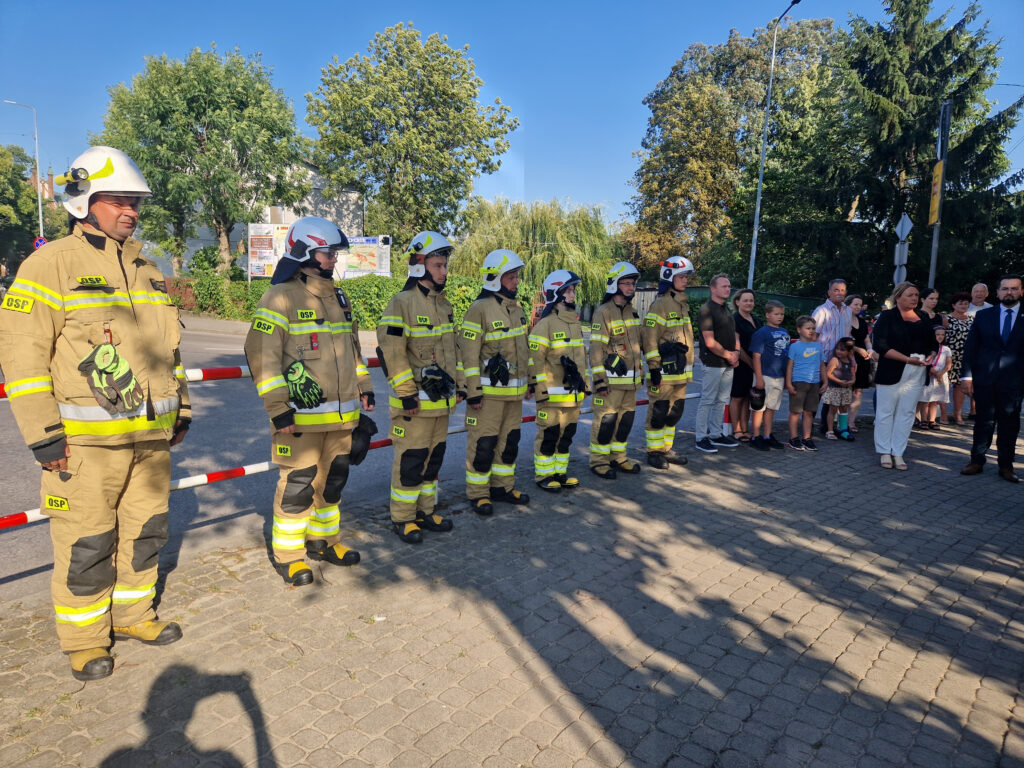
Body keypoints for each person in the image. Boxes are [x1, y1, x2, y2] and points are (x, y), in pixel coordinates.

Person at [0, 146, 190, 681]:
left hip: (150, 440)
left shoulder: (147, 269)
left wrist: (184, 410)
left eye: (135, 202)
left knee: (147, 532)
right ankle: (83, 640)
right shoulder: (51, 263)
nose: (130, 211)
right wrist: (43, 435)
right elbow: (22, 354)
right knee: (87, 543)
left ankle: (134, 616)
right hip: (83, 449)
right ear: (84, 200)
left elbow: (169, 353)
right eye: (118, 201)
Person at [244, 216, 374, 586]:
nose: (334, 259)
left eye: (334, 253)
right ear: (304, 251)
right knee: (298, 486)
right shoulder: (280, 296)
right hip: (298, 420)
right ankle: (290, 556)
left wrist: (364, 386)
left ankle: (324, 541)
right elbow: (261, 354)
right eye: (328, 253)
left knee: (333, 481)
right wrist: (278, 408)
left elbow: (353, 350)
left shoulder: (338, 295)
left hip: (341, 418)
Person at [376, 231, 463, 542]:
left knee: (432, 460)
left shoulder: (445, 305)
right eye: (438, 265)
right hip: (413, 406)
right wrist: (407, 393)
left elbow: (453, 353)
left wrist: (461, 386)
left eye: (444, 266)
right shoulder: (401, 303)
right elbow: (392, 351)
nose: (444, 272)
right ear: (419, 265)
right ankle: (402, 518)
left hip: (440, 404)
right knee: (411, 462)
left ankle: (425, 511)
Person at [459, 249, 533, 514]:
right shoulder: (479, 309)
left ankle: (502, 487)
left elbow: (525, 350)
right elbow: (467, 355)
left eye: (516, 276)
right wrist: (473, 392)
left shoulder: (517, 309)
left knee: (509, 443)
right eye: (511, 277)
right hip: (487, 397)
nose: (516, 282)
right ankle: (478, 493)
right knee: (483, 445)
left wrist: (531, 381)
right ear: (495, 278)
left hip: (513, 396)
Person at [959, 275, 1024, 483]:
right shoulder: (984, 316)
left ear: (1021, 291)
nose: (1009, 292)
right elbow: (971, 349)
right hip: (985, 379)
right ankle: (976, 461)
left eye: (1014, 289)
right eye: (1005, 289)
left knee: (1009, 424)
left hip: (1014, 382)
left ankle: (1006, 466)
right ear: (997, 293)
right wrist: (966, 377)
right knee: (983, 421)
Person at [528, 269, 587, 492]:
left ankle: (560, 473)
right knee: (549, 436)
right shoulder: (545, 325)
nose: (573, 295)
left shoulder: (575, 324)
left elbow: (582, 358)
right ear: (555, 294)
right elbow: (534, 361)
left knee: (567, 436)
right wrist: (540, 389)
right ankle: (544, 475)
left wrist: (586, 385)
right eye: (568, 291)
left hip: (573, 395)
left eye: (573, 291)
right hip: (551, 397)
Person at [871, 282, 938, 470]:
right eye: (910, 295)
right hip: (893, 368)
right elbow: (881, 346)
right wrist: (907, 360)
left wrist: (931, 355)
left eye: (916, 295)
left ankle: (898, 452)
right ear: (898, 297)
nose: (915, 298)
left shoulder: (923, 316)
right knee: (886, 413)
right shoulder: (887, 316)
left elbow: (933, 342)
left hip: (917, 370)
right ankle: (884, 451)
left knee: (907, 413)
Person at [588, 261, 645, 478]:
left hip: (630, 383)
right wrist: (600, 380)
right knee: (605, 423)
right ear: (614, 285)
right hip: (610, 385)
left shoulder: (632, 312)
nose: (631, 288)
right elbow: (595, 349)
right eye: (626, 284)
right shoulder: (603, 312)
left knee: (625, 423)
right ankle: (599, 462)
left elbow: (637, 345)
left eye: (632, 284)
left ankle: (619, 458)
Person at [641, 256, 695, 469]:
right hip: (663, 373)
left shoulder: (682, 304)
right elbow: (650, 338)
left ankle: (666, 449)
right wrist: (654, 368)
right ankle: (654, 452)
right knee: (659, 412)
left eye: (686, 277)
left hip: (680, 373)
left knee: (674, 413)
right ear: (669, 277)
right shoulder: (660, 304)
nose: (685, 280)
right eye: (681, 276)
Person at [694, 274, 739, 454]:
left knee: (722, 400)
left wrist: (736, 353)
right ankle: (700, 437)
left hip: (728, 363)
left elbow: (734, 335)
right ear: (713, 289)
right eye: (724, 286)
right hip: (713, 363)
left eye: (729, 286)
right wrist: (729, 355)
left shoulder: (726, 309)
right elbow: (709, 341)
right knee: (707, 400)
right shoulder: (706, 310)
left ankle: (716, 433)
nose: (728, 289)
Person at [812, 279, 852, 435]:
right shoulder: (821, 311)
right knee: (817, 394)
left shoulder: (848, 311)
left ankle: (826, 426)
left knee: (833, 397)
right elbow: (813, 336)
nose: (839, 293)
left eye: (842, 290)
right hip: (823, 361)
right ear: (829, 292)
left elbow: (848, 337)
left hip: (841, 362)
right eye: (836, 290)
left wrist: (851, 358)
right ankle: (808, 426)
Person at [749, 300, 790, 450]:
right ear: (767, 315)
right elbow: (756, 356)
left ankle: (767, 435)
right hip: (764, 375)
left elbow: (785, 356)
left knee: (771, 408)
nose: (780, 317)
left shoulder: (785, 332)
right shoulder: (762, 333)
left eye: (782, 314)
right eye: (776, 314)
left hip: (779, 376)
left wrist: (786, 378)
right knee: (759, 408)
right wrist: (759, 378)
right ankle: (755, 436)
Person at [785, 316, 826, 451]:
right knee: (796, 411)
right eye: (808, 328)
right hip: (799, 382)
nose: (811, 331)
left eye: (813, 328)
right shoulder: (794, 346)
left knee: (809, 412)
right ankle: (793, 438)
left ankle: (807, 438)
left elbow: (822, 365)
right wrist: (789, 384)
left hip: (814, 383)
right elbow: (790, 366)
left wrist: (825, 381)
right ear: (799, 329)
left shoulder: (818, 346)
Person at [728, 288, 762, 442]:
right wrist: (752, 364)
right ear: (737, 302)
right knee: (737, 397)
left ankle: (745, 429)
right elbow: (738, 347)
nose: (749, 303)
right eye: (745, 300)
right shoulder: (734, 320)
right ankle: (736, 430)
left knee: (748, 398)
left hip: (756, 366)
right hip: (741, 365)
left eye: (751, 300)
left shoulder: (757, 320)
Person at [844, 295, 874, 431]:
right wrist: (857, 349)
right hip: (848, 358)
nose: (858, 307)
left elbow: (867, 339)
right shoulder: (843, 320)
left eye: (860, 305)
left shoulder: (861, 321)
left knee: (858, 391)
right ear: (848, 305)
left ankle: (851, 422)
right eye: (855, 304)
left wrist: (869, 349)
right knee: (846, 391)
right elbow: (843, 340)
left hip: (863, 359)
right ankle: (842, 423)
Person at [945, 291, 974, 425]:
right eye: (960, 303)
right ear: (953, 305)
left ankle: (958, 415)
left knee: (960, 387)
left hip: (965, 358)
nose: (963, 306)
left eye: (966, 303)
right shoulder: (946, 319)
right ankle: (943, 415)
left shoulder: (972, 319)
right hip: (949, 357)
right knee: (944, 386)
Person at [822, 338, 857, 441]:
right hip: (835, 389)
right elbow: (828, 373)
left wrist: (853, 380)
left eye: (842, 350)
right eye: (837, 349)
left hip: (845, 389)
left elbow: (852, 374)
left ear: (849, 352)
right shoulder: (835, 360)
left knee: (844, 408)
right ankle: (829, 431)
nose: (839, 351)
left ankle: (843, 430)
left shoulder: (850, 361)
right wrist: (839, 381)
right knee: (832, 409)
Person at [918, 326, 951, 429]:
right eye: (937, 334)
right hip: (929, 375)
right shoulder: (927, 347)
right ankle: (923, 420)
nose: (940, 336)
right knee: (925, 399)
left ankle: (932, 420)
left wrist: (941, 373)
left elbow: (949, 364)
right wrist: (935, 372)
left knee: (935, 400)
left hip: (940, 377)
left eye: (942, 334)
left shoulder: (946, 349)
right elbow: (925, 361)